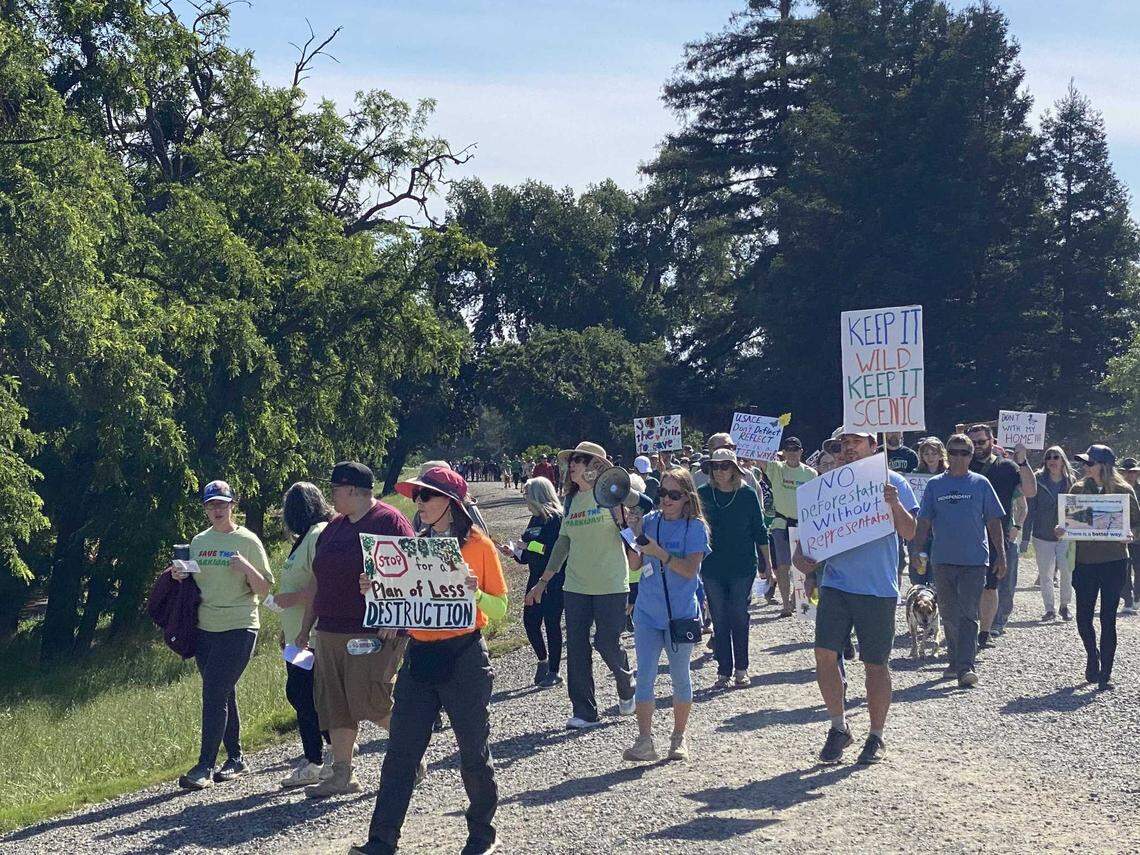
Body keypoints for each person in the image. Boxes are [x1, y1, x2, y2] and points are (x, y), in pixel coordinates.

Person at [354, 467, 508, 855]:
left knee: (473, 752)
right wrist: (377, 592)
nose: (418, 504)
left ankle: (481, 836)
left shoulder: (478, 545)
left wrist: (474, 594)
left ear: (450, 503)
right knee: (400, 756)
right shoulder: (412, 546)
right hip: (420, 659)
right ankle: (381, 842)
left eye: (427, 496)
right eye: (417, 497)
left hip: (465, 658)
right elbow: (401, 610)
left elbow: (501, 608)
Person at [793, 430, 918, 765]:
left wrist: (894, 503)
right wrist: (802, 563)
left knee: (875, 664)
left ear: (873, 446)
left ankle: (876, 735)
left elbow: (910, 532)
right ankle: (838, 726)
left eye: (855, 441)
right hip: (835, 584)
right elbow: (805, 543)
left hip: (877, 588)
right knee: (824, 654)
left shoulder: (895, 482)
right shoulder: (826, 486)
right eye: (841, 444)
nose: (848, 448)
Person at [298, 461, 415, 798]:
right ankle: (342, 774)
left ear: (351, 489)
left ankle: (411, 753)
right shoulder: (333, 528)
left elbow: (414, 570)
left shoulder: (389, 522)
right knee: (336, 704)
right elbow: (316, 581)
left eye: (335, 488)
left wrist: (396, 615)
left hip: (373, 632)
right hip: (330, 631)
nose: (331, 495)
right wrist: (307, 627)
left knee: (370, 701)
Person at [526, 442, 636, 729]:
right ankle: (585, 711)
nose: (572, 464)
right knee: (576, 647)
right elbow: (563, 543)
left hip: (611, 583)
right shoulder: (571, 501)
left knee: (606, 643)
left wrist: (614, 484)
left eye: (579, 459)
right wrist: (543, 581)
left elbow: (639, 504)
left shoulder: (611, 495)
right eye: (571, 459)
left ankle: (625, 681)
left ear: (595, 465)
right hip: (575, 586)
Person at [172, 480, 273, 790]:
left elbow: (265, 588)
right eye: (211, 504)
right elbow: (193, 582)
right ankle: (236, 758)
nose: (217, 509)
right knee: (223, 691)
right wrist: (179, 574)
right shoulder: (199, 542)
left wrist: (245, 567)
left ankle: (204, 766)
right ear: (205, 507)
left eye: (222, 503)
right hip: (205, 627)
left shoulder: (248, 541)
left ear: (233, 505)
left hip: (240, 624)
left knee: (214, 692)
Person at [622, 468, 710, 762]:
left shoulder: (695, 528)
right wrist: (633, 536)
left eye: (674, 495)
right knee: (644, 677)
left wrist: (660, 553)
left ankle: (678, 738)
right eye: (662, 493)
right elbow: (635, 565)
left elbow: (689, 571)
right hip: (648, 613)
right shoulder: (649, 521)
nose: (666, 500)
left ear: (687, 497)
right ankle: (645, 741)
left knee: (679, 677)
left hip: (680, 614)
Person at [912, 435, 1006, 687]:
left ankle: (966, 666)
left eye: (965, 453)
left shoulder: (981, 483)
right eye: (954, 452)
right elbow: (924, 521)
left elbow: (994, 521)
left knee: (968, 614)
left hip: (974, 560)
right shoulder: (934, 485)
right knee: (949, 614)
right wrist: (916, 550)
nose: (959, 457)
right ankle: (954, 660)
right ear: (947, 455)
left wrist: (1002, 555)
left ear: (971, 455)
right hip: (942, 560)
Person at [1057, 445, 1140, 691]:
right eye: (1085, 463)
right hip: (1084, 562)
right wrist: (1061, 529)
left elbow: (1137, 525)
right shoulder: (1078, 489)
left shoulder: (1124, 491)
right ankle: (1092, 656)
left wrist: (1130, 535)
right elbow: (1066, 523)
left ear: (1103, 465)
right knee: (1083, 616)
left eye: (1089, 463)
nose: (1085, 467)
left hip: (1114, 562)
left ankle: (1106, 672)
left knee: (1108, 618)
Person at [274, 482, 334, 788]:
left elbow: (321, 582)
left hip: (310, 633)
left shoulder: (319, 534)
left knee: (305, 694)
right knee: (302, 695)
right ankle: (325, 749)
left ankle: (319, 756)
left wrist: (291, 600)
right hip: (296, 633)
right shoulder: (303, 540)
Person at [698, 448, 768, 688]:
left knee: (738, 615)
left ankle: (741, 668)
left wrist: (768, 564)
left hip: (742, 565)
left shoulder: (747, 494)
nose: (719, 471)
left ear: (735, 468)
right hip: (711, 566)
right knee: (719, 617)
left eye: (724, 466)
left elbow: (760, 530)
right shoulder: (703, 494)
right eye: (714, 466)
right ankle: (723, 670)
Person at [966, 424, 1037, 646]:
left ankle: (984, 633)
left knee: (991, 585)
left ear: (992, 441)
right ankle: (966, 630)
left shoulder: (1007, 467)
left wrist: (1023, 460)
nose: (977, 446)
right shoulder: (961, 465)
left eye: (981, 442)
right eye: (973, 442)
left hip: (996, 536)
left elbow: (1030, 491)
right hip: (964, 534)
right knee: (966, 587)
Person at [510, 477, 565, 687]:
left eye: (527, 493)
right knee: (530, 621)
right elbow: (525, 556)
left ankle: (554, 670)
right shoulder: (534, 520)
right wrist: (515, 551)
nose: (524, 498)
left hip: (553, 579)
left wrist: (529, 546)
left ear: (537, 495)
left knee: (552, 623)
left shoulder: (556, 519)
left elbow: (552, 551)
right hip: (534, 577)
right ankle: (542, 659)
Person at [761, 436, 817, 618]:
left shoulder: (810, 474)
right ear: (783, 452)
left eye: (796, 449)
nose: (792, 452)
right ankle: (786, 605)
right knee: (783, 566)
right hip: (781, 524)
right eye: (788, 449)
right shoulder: (776, 468)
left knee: (803, 566)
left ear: (801, 452)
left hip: (803, 524)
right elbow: (759, 459)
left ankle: (799, 601)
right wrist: (768, 435)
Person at [1022, 446, 1076, 621]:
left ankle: (1064, 606)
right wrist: (1025, 537)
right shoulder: (1037, 480)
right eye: (1049, 457)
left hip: (1066, 534)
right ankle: (1049, 609)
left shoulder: (1071, 482)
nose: (1052, 460)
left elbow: (1078, 510)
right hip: (1042, 533)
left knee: (1067, 571)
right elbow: (1030, 509)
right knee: (1046, 573)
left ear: (1063, 460)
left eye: (1056, 457)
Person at [1120, 457, 1140, 615]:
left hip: (1138, 537)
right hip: (1121, 537)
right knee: (1124, 570)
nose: (1129, 475)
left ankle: (1137, 597)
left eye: (1133, 471)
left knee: (1138, 569)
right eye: (1126, 472)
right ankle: (1127, 599)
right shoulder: (1116, 489)